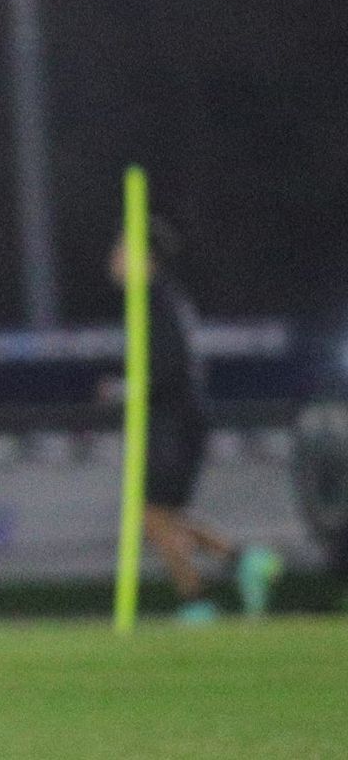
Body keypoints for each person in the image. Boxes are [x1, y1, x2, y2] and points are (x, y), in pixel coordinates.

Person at [108, 219, 281, 623]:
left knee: (152, 516)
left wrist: (126, 390)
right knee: (161, 516)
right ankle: (243, 561)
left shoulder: (156, 301)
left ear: (144, 258)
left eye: (121, 251)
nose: (113, 260)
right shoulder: (157, 299)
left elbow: (169, 366)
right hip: (176, 419)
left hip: (175, 422)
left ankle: (199, 601)